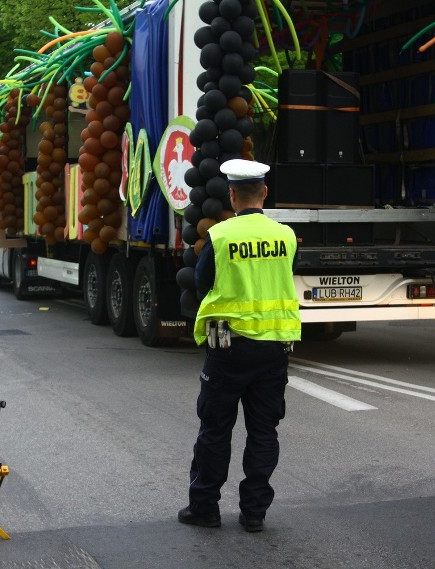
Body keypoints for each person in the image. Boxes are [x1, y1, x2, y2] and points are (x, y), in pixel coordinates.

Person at [178, 159, 301, 533]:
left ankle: (205, 509)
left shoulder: (220, 236)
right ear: (264, 192)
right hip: (273, 350)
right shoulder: (287, 236)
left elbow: (203, 284)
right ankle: (254, 513)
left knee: (215, 430)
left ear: (231, 195)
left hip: (228, 347)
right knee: (264, 433)